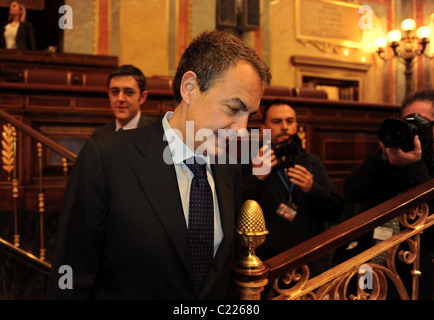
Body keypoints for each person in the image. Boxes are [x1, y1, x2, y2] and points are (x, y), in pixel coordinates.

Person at [46, 30, 271, 299]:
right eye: (234, 108)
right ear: (190, 88)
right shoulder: (105, 158)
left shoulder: (230, 169)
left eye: (249, 115)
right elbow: (71, 277)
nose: (243, 131)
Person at [342, 88, 434, 299]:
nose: (412, 129)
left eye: (420, 122)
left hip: (415, 274)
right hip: (370, 266)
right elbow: (351, 191)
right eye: (407, 121)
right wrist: (382, 158)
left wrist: (414, 167)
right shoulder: (388, 159)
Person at [243, 100, 345, 276]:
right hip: (265, 262)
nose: (284, 127)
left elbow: (336, 212)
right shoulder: (249, 160)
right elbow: (234, 209)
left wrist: (313, 188)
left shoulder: (312, 162)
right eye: (277, 122)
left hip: (308, 260)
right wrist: (257, 178)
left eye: (290, 121)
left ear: (297, 125)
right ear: (263, 129)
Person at [92, 64, 155, 137]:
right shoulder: (100, 135)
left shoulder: (156, 132)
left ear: (142, 97)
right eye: (115, 92)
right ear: (108, 94)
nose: (120, 99)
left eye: (129, 92)